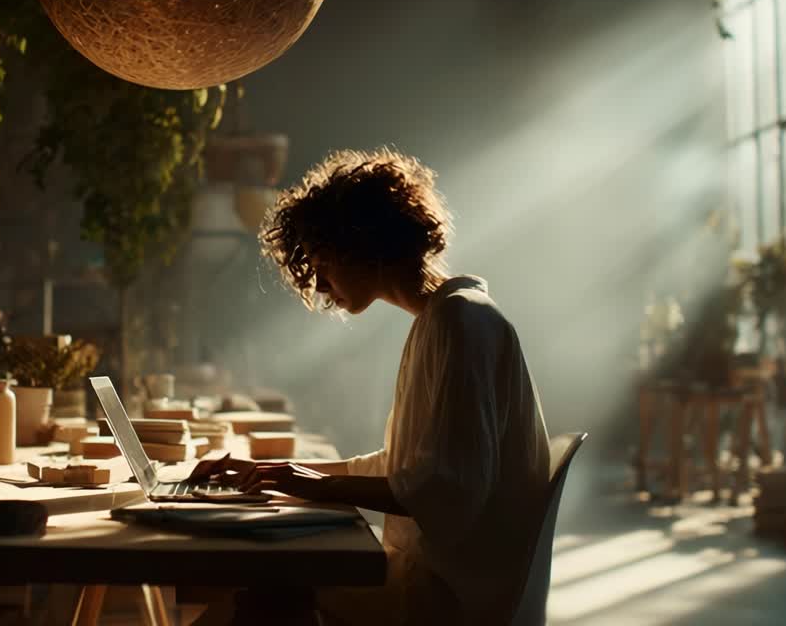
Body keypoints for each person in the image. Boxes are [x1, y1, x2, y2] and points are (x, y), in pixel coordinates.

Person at [190, 147, 551, 625]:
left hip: (452, 600)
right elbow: (403, 469)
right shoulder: (441, 318)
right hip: (436, 579)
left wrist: (319, 486)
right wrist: (280, 471)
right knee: (262, 582)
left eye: (322, 262)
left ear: (363, 244)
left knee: (267, 585)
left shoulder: (463, 322)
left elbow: (450, 492)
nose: (319, 285)